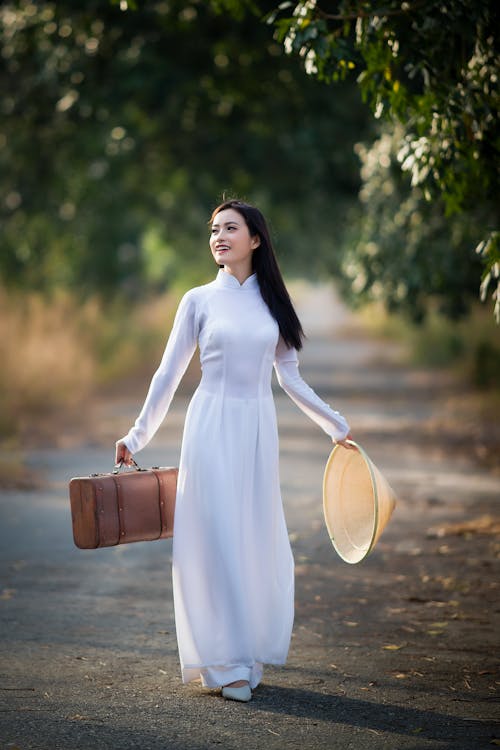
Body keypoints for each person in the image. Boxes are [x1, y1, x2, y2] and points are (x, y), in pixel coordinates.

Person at [115, 199, 352, 703]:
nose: (219, 237)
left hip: (257, 428)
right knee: (214, 537)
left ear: (256, 240)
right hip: (211, 424)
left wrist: (336, 425)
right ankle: (222, 662)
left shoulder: (274, 305)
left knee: (250, 539)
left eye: (230, 228)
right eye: (214, 229)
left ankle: (241, 653)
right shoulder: (198, 300)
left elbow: (289, 377)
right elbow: (169, 374)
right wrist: (137, 436)